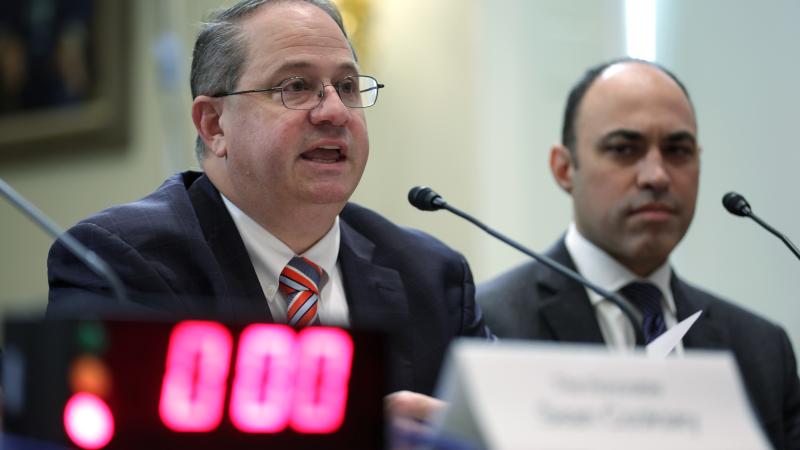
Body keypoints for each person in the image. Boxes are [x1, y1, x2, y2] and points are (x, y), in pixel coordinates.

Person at [48, 0, 489, 419]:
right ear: (214, 124)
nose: (335, 111)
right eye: (297, 87)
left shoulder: (433, 276)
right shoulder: (120, 261)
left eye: (349, 86)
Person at [477, 58, 800, 449]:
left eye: (677, 151)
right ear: (564, 169)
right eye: (625, 149)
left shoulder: (761, 349)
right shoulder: (488, 326)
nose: (657, 176)